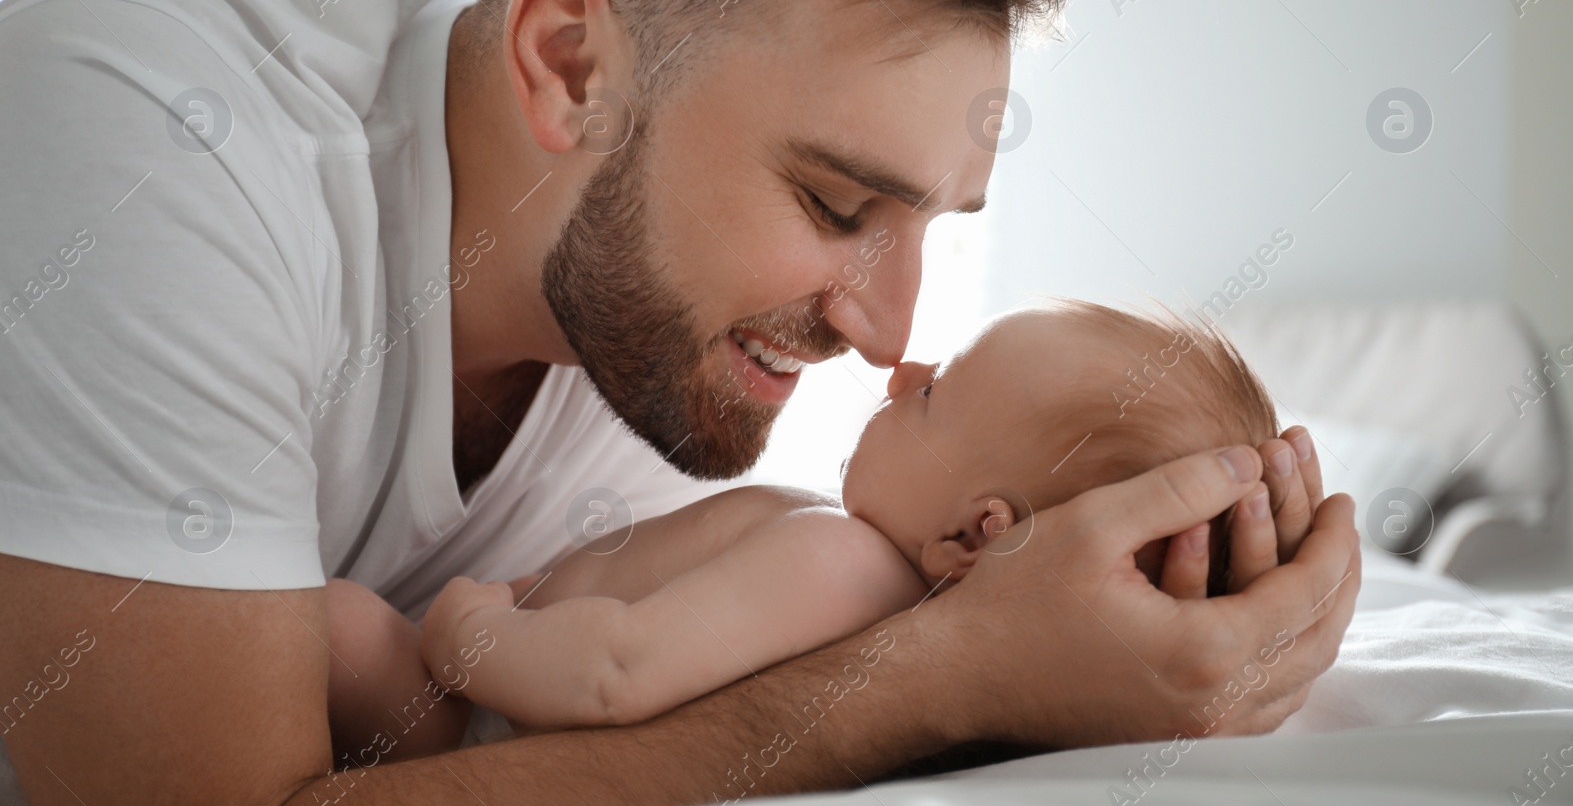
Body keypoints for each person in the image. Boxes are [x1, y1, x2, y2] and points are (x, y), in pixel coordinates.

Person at [0, 0, 1359, 806]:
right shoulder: (154, 147)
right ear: (570, 62)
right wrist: (952, 673)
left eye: (938, 223)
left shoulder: (673, 365)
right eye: (836, 203)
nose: (889, 335)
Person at [324, 299, 1285, 755]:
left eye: (937, 392)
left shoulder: (842, 566)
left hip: (476, 721)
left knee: (330, 625)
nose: (904, 372)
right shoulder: (871, 590)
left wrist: (468, 635)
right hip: (504, 691)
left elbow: (614, 673)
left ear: (976, 532)